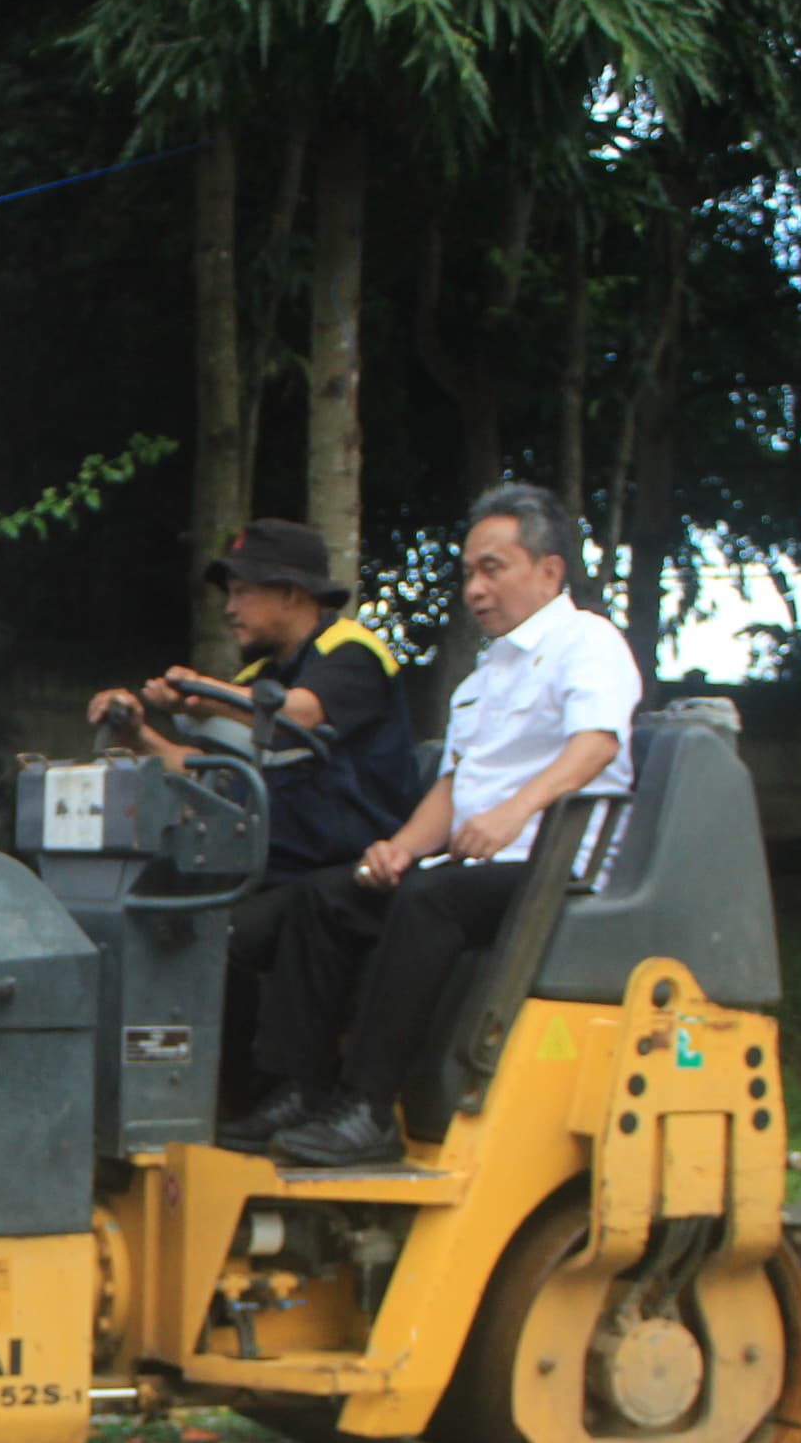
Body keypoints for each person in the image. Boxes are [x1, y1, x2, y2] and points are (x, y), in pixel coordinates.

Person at [257, 484, 642, 1169]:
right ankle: (300, 1091)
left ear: (549, 571)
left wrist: (515, 811)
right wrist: (397, 849)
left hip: (554, 865)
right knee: (328, 896)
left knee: (427, 905)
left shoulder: (588, 643)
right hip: (472, 863)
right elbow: (455, 786)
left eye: (493, 568)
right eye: (468, 572)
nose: (474, 589)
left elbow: (598, 745)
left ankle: (370, 1109)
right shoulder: (484, 674)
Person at [88, 518, 418, 1150]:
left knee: (227, 936)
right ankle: (221, 1096)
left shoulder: (352, 653)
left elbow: (300, 715)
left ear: (293, 594)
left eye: (244, 591)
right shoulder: (262, 676)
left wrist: (199, 693)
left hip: (357, 869)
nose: (231, 608)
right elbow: (205, 768)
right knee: (176, 922)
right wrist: (139, 735)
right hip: (277, 871)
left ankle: (287, 1092)